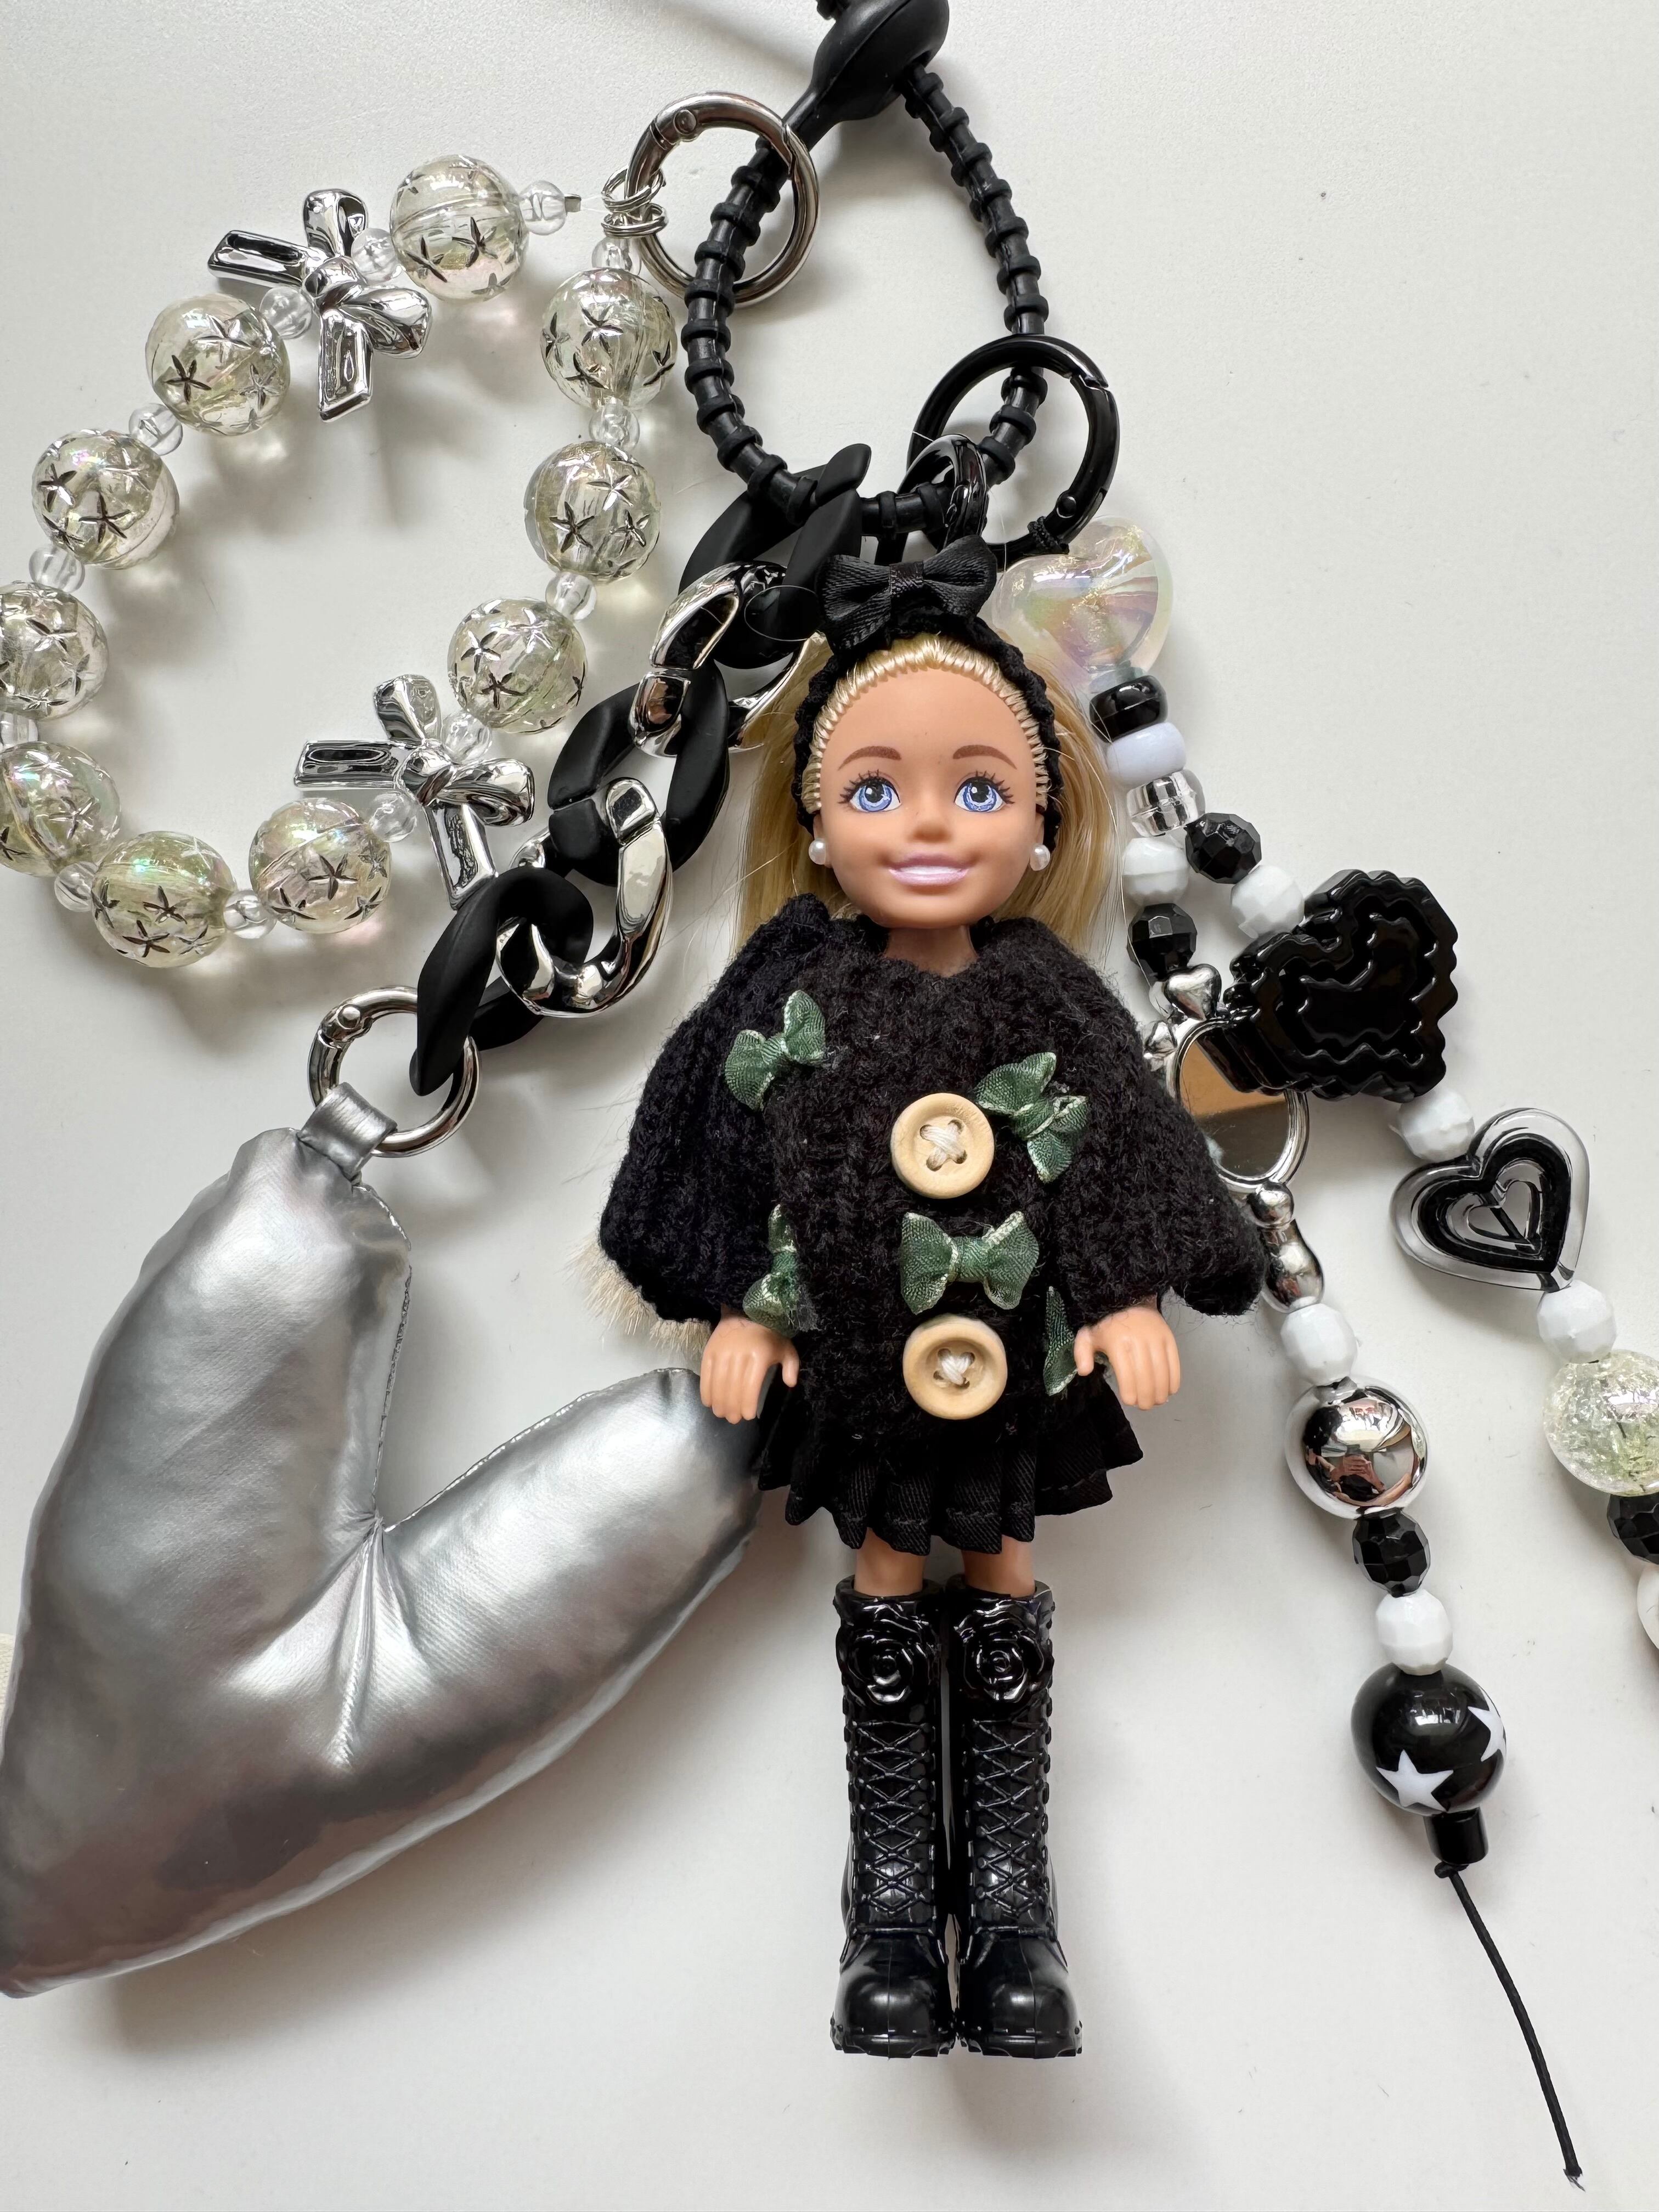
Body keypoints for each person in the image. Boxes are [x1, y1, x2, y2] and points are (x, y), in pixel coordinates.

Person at [597, 540, 1263, 2057]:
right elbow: (724, 1136)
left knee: (1006, 1580)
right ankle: (892, 1907)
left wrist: (1127, 1293)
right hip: (861, 1370)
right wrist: (743, 1307)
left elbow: (1116, 1133)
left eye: (977, 789)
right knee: (889, 1583)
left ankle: (1015, 1910)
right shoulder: (791, 981)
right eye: (875, 789)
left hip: (1017, 1370)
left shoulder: (1043, 989)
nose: (926, 825)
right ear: (817, 823)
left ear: (1040, 824)